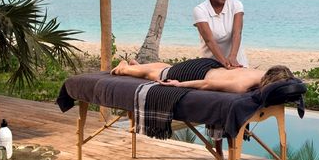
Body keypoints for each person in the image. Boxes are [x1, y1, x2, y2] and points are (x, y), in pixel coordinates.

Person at [111, 58, 293, 94]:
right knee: (159, 74)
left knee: (169, 67)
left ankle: (137, 65)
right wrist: (178, 85)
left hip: (210, 64)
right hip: (198, 73)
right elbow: (207, 84)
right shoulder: (241, 86)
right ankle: (124, 68)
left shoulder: (263, 73)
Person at [193, 0, 248, 69]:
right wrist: (225, 63)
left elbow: (237, 33)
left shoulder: (236, 5)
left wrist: (233, 57)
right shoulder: (200, 10)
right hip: (212, 65)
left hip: (237, 63)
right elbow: (209, 40)